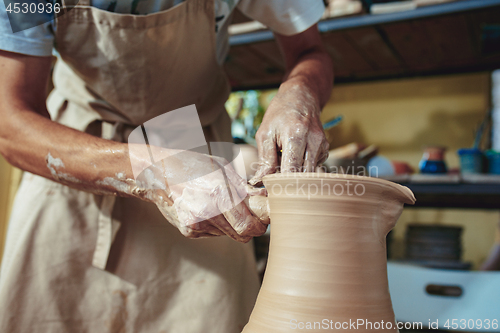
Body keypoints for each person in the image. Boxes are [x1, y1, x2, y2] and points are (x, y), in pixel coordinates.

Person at [0, 0, 333, 332]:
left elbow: (310, 50)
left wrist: (300, 89)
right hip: (76, 153)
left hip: (201, 165)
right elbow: (10, 123)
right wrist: (150, 168)